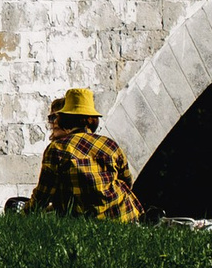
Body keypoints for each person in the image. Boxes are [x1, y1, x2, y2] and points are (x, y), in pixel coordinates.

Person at [28, 86, 141, 222]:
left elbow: (43, 195)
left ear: (64, 118)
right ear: (92, 120)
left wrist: (24, 215)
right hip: (124, 215)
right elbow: (127, 181)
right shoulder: (109, 144)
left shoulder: (58, 148)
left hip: (83, 219)